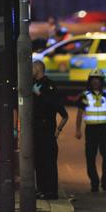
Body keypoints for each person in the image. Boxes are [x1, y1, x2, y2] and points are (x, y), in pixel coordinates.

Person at [75, 69, 106, 192]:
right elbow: (79, 113)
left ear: (101, 81)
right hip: (90, 130)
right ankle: (94, 183)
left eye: (98, 80)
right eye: (93, 80)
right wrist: (77, 130)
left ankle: (105, 183)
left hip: (104, 130)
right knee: (90, 157)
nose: (95, 82)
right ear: (90, 81)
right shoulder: (85, 96)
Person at [32, 60, 69, 200]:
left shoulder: (49, 86)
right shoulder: (32, 84)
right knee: (38, 161)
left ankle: (51, 192)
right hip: (35, 129)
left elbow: (60, 110)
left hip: (46, 129)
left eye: (32, 68)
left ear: (38, 68)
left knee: (48, 162)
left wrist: (58, 130)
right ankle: (41, 189)